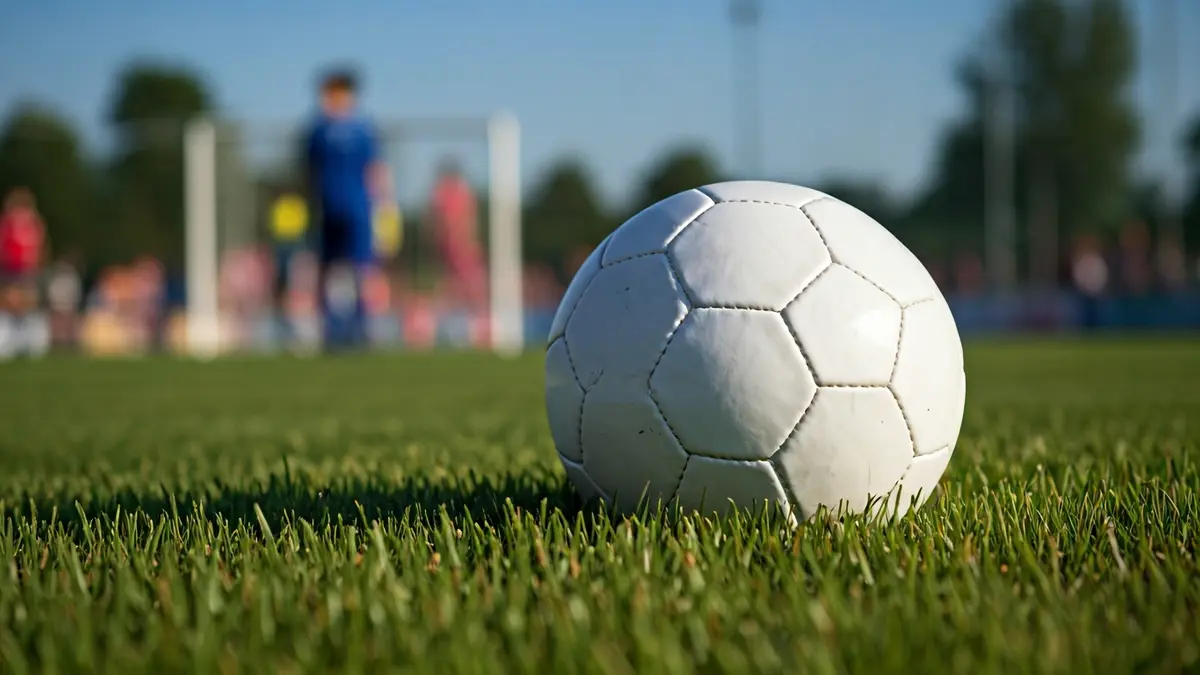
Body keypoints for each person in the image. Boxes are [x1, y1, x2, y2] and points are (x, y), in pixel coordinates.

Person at [303, 68, 387, 351]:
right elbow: (308, 170)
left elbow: (376, 170)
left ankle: (363, 328)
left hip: (358, 210)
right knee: (327, 269)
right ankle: (329, 330)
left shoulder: (363, 130)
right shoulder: (316, 130)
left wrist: (384, 208)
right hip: (328, 210)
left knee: (362, 270)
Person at [429, 158, 487, 312]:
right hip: (449, 248)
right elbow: (437, 222)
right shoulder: (442, 194)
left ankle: (478, 314)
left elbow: (467, 221)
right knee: (451, 283)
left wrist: (462, 240)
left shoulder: (462, 193)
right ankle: (451, 315)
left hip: (463, 248)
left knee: (471, 283)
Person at [0, 187, 47, 355]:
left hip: (27, 270)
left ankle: (32, 344)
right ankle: (7, 342)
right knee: (9, 306)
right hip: (10, 269)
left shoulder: (34, 225)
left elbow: (39, 249)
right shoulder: (7, 224)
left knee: (28, 306)